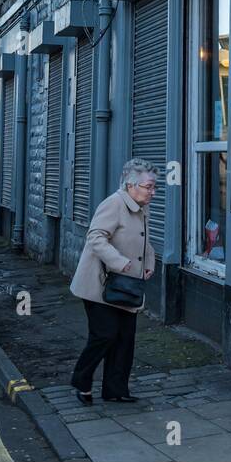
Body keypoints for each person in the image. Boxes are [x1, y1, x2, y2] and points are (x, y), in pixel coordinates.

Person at [69, 158, 157, 404]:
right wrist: (119, 262)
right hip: (100, 284)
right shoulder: (114, 204)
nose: (153, 192)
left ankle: (115, 390)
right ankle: (82, 382)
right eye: (149, 186)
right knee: (104, 335)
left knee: (125, 338)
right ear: (131, 185)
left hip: (127, 286)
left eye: (154, 187)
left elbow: (144, 242)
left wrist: (149, 263)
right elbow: (95, 238)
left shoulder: (140, 208)